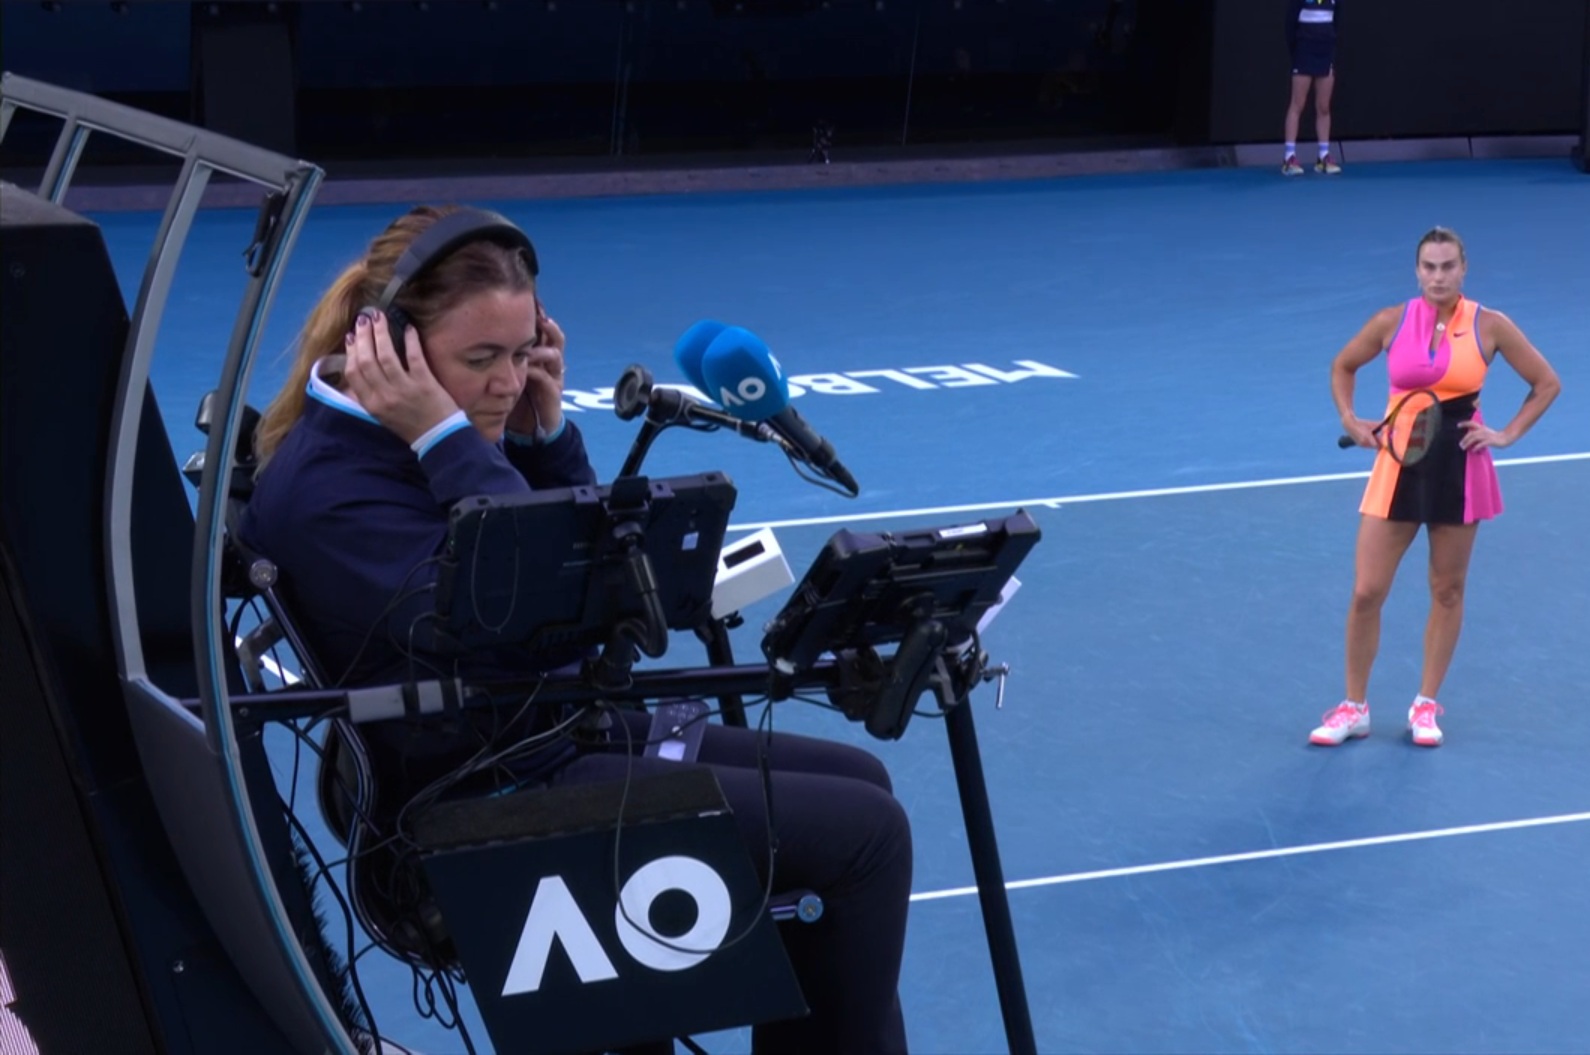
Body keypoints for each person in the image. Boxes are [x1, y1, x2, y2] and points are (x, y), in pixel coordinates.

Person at [240, 205, 913, 1054]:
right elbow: (542, 621)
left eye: (524, 354)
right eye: (481, 358)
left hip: (543, 732)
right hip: (480, 787)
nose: (507, 382)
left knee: (864, 782)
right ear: (394, 349)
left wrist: (546, 441)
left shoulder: (431, 440)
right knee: (866, 841)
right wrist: (452, 440)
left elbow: (580, 576)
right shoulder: (334, 486)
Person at [1313, 227, 1561, 748]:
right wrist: (1351, 418)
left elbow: (1546, 383)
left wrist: (1506, 434)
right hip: (1397, 466)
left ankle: (1425, 704)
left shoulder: (1490, 326)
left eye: (1448, 266)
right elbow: (1343, 365)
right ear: (1417, 270)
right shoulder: (1389, 321)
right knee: (1366, 591)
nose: (1439, 276)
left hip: (1460, 470)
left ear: (1463, 269)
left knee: (1447, 590)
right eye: (1429, 267)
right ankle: (1354, 707)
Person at [1282, 0, 1341, 176]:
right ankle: (1289, 158)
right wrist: (1298, 51)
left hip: (1325, 52)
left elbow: (1336, 21)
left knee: (1323, 107)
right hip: (1304, 51)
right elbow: (1289, 24)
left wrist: (1328, 43)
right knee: (1297, 105)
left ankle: (1323, 157)